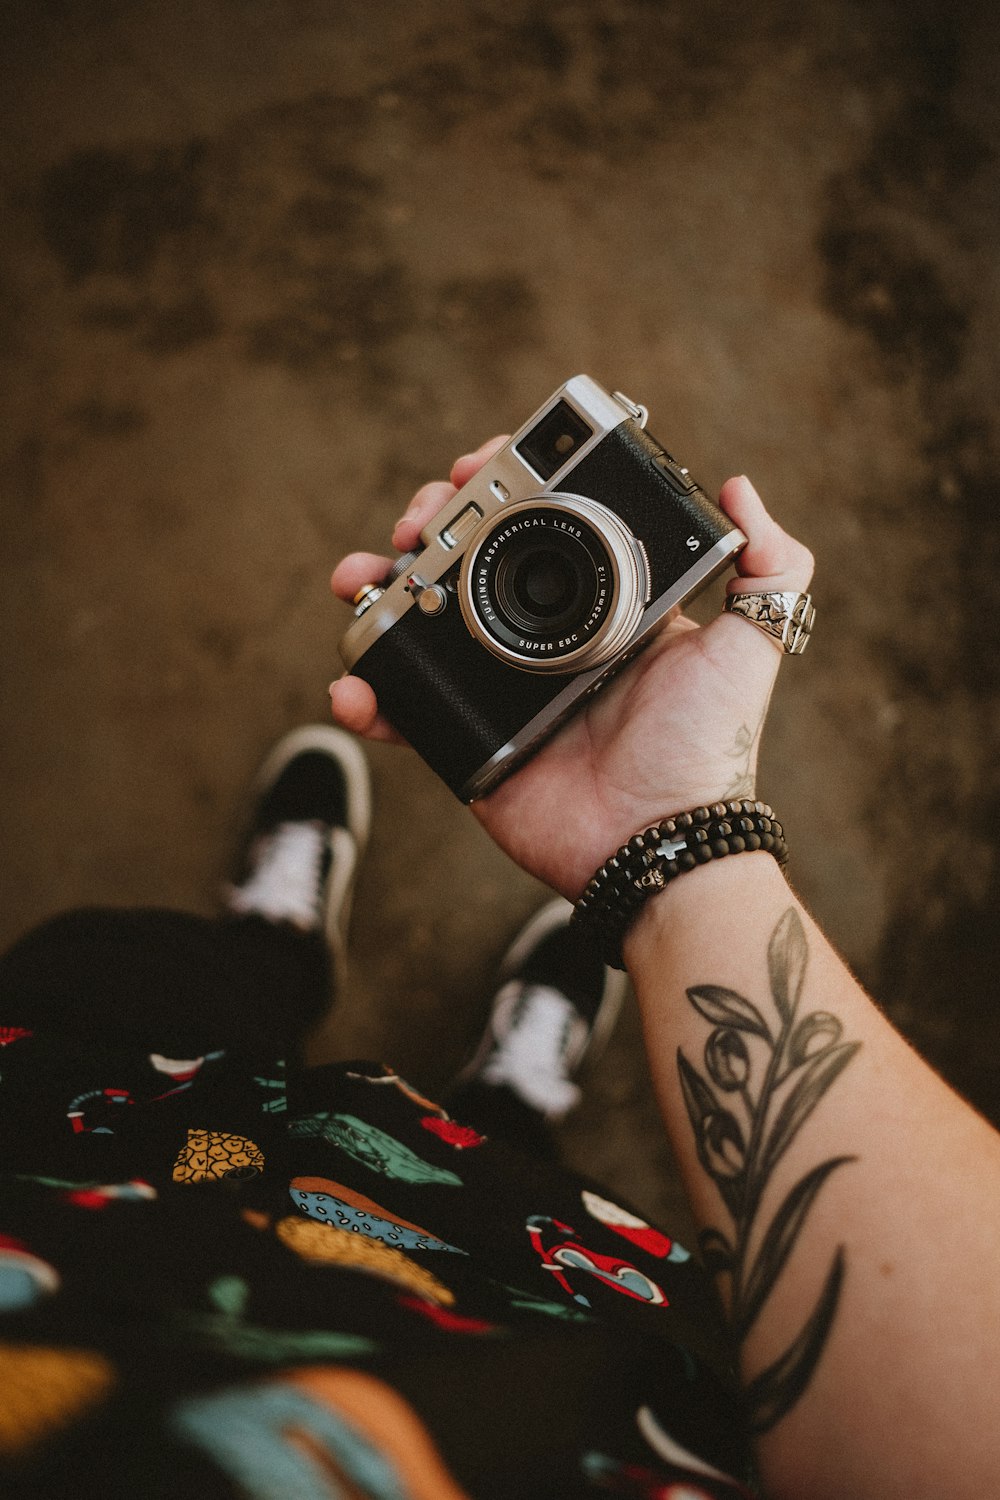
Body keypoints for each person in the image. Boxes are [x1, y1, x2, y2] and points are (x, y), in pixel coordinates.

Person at [0, 442, 994, 1500]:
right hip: (545, 1357)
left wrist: (661, 839)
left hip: (82, 1185)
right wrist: (672, 848)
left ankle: (268, 958)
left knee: (151, 1000)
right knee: (501, 1186)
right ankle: (501, 1098)